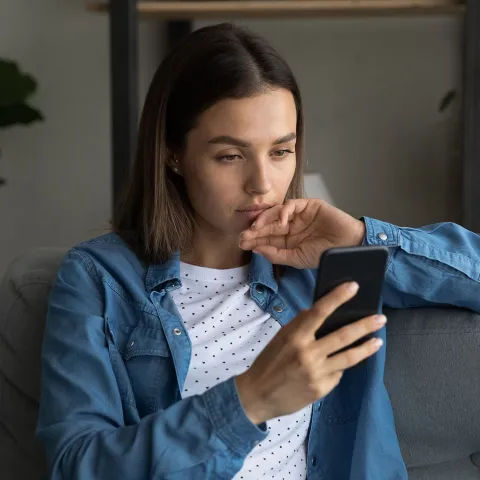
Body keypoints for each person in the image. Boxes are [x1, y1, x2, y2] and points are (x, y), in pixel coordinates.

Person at [36, 23, 480, 480]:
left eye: (281, 151)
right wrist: (250, 400)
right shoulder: (99, 278)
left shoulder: (321, 268)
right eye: (230, 156)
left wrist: (358, 240)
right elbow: (77, 466)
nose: (263, 185)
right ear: (173, 154)